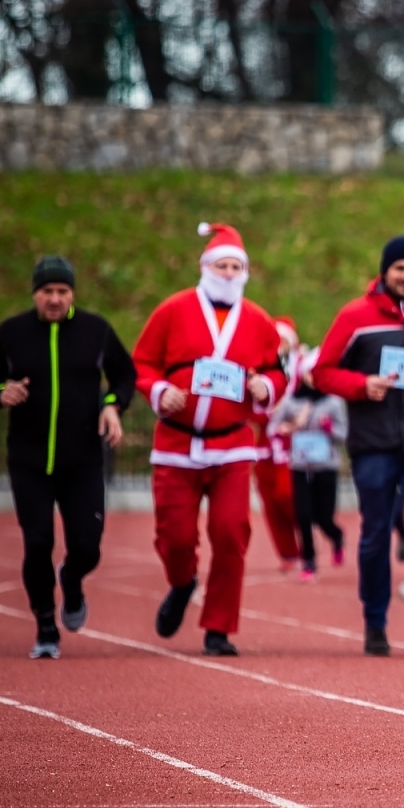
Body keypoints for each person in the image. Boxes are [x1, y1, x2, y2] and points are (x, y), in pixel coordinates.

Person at [133, 224, 290, 656]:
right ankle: (182, 583)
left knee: (230, 531)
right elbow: (143, 363)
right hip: (177, 443)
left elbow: (278, 370)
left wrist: (268, 389)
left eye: (235, 265)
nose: (227, 271)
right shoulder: (173, 310)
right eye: (221, 264)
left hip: (232, 445)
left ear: (245, 272)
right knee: (175, 537)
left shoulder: (258, 320)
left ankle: (218, 627)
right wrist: (160, 392)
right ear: (205, 267)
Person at [0, 256, 136, 658]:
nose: (55, 299)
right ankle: (45, 627)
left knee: (87, 547)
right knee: (38, 542)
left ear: (73, 293)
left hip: (82, 463)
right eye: (47, 292)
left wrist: (112, 405)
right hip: (29, 462)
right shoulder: (12, 334)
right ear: (35, 294)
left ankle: (72, 582)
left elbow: (125, 375)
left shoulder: (96, 331)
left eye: (62, 291)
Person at [314, 235, 404, 656]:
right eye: (400, 269)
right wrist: (362, 385)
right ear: (385, 272)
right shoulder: (356, 316)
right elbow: (321, 372)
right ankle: (375, 622)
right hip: (373, 441)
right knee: (375, 534)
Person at [270, 348, 347, 581]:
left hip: (326, 465)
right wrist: (291, 425)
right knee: (303, 514)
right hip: (300, 464)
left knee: (323, 516)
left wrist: (328, 428)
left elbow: (344, 433)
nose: (313, 378)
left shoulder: (333, 403)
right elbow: (273, 427)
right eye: (309, 373)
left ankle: (336, 536)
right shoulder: (292, 402)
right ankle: (309, 560)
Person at [253, 315, 304, 570]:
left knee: (287, 495)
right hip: (264, 444)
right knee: (269, 499)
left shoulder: (303, 367)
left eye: (283, 340)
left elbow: (316, 399)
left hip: (293, 444)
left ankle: (305, 538)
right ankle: (287, 552)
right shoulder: (260, 369)